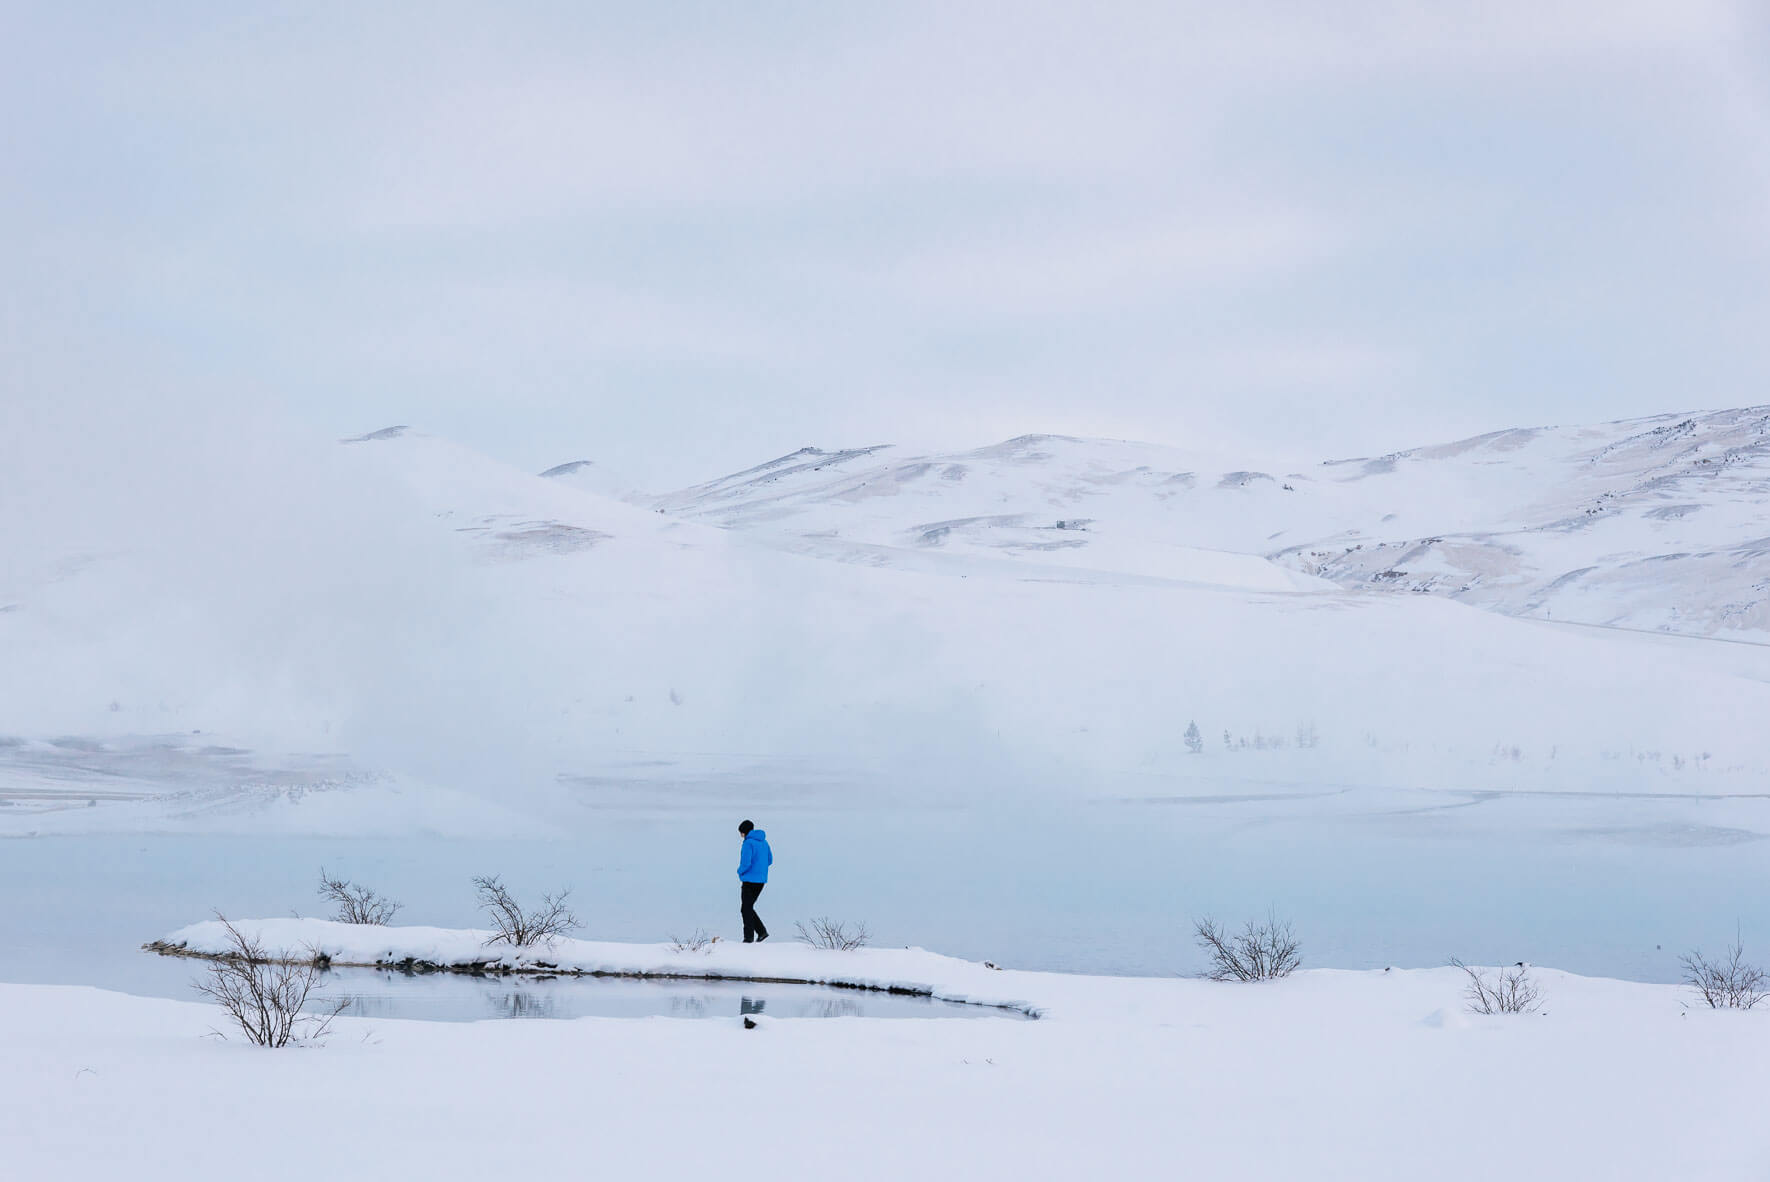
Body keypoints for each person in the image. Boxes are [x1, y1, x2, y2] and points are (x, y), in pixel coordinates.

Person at [736, 819, 772, 943]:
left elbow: (746, 863)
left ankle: (748, 938)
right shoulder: (764, 842)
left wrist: (740, 871)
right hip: (761, 881)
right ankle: (761, 932)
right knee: (748, 907)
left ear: (744, 832)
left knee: (746, 909)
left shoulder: (748, 843)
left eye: (741, 832)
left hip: (749, 880)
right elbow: (770, 860)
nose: (740, 835)